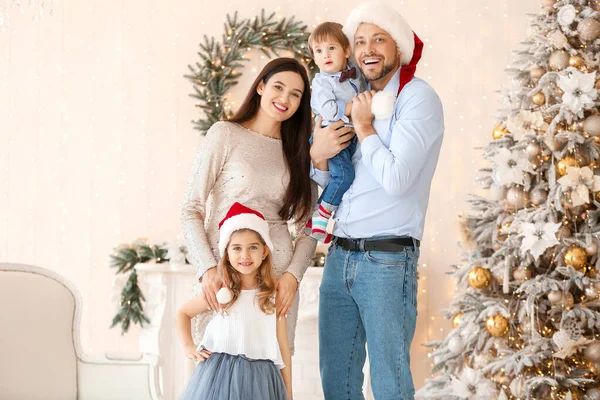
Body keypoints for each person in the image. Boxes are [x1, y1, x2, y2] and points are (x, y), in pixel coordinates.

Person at [310, 3, 445, 399]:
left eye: (379, 40)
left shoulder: (418, 99)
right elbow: (332, 177)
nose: (368, 49)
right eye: (361, 41)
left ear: (398, 48)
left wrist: (365, 127)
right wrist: (318, 154)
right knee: (336, 382)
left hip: (386, 260)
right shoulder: (353, 96)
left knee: (388, 384)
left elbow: (397, 179)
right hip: (339, 256)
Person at [180, 57, 317, 355]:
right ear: (261, 86)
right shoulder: (225, 134)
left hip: (276, 280)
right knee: (217, 372)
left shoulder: (299, 151)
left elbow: (310, 227)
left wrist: (293, 276)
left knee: (272, 376)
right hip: (224, 271)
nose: (285, 99)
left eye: (296, 94)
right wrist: (206, 269)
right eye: (278, 87)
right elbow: (191, 209)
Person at [177, 202, 292, 400]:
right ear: (227, 254)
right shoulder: (221, 292)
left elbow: (283, 346)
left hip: (262, 380)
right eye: (237, 248)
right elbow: (183, 313)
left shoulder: (273, 296)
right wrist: (188, 346)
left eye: (252, 247)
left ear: (264, 252)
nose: (245, 255)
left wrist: (289, 394)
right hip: (218, 377)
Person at [306, 22, 367, 242]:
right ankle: (320, 217)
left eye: (331, 48)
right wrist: (354, 107)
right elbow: (330, 111)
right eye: (319, 51)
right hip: (330, 133)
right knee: (344, 175)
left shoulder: (355, 76)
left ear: (346, 51)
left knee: (346, 176)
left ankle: (317, 220)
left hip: (347, 136)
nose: (326, 55)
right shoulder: (322, 83)